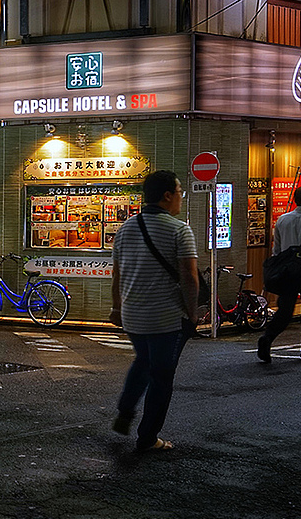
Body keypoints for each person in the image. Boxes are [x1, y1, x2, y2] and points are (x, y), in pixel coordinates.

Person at [109, 170, 198, 452]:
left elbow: (117, 275)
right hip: (166, 317)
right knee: (162, 377)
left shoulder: (125, 229)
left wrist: (116, 308)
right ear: (167, 196)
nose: (181, 197)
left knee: (143, 361)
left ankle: (125, 409)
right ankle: (148, 437)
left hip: (134, 317)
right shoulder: (179, 230)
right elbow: (189, 277)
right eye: (180, 191)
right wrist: (193, 312)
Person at [258, 185, 301, 363]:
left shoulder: (282, 219)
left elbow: (277, 249)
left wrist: (278, 268)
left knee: (285, 309)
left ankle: (267, 338)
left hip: (287, 270)